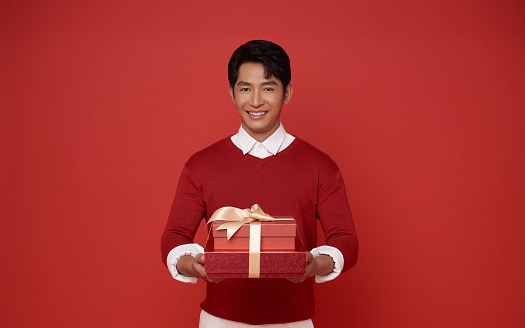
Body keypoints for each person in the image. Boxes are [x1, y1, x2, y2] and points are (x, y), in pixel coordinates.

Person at [161, 40, 358, 327]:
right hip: (218, 321)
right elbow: (174, 236)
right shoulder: (200, 165)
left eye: (267, 87)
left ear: (287, 93)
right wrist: (190, 263)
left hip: (294, 322)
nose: (255, 101)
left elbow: (346, 240)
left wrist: (317, 264)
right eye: (245, 88)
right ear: (231, 93)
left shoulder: (320, 166)